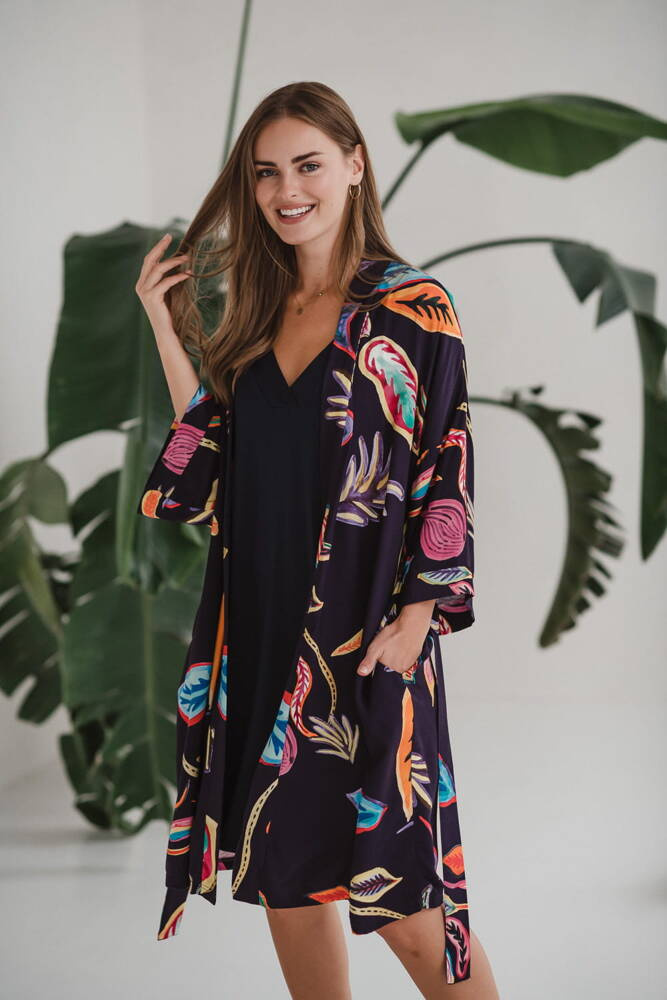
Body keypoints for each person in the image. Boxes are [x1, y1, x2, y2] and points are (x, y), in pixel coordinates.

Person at [135, 81, 499, 999]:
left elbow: (446, 459)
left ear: (354, 165)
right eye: (265, 173)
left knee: (404, 902)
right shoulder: (257, 312)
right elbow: (213, 463)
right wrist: (168, 332)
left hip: (363, 633)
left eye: (307, 165)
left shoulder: (411, 306)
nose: (285, 190)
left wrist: (418, 618)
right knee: (286, 884)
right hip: (259, 629)